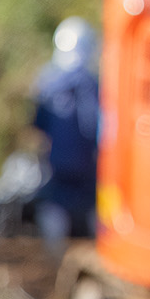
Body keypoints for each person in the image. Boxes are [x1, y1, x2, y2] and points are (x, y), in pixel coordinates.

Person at [31, 16, 101, 254]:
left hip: (58, 164)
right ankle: (97, 256)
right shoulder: (95, 84)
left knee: (53, 205)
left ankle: (55, 258)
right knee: (93, 207)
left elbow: (38, 127)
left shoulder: (48, 82)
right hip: (89, 164)